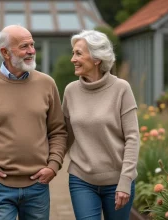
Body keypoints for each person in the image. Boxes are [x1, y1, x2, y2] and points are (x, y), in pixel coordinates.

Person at [0, 25, 67, 220]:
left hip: (38, 186)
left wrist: (53, 165)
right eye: (24, 46)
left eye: (32, 45)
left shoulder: (47, 84)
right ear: (5, 52)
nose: (32, 51)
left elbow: (58, 131)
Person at [62, 30, 140, 220]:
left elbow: (132, 137)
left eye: (78, 53)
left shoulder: (121, 89)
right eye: (73, 53)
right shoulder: (71, 91)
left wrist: (125, 181)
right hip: (81, 179)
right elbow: (64, 135)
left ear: (97, 58)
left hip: (117, 181)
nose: (73, 59)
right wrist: (47, 162)